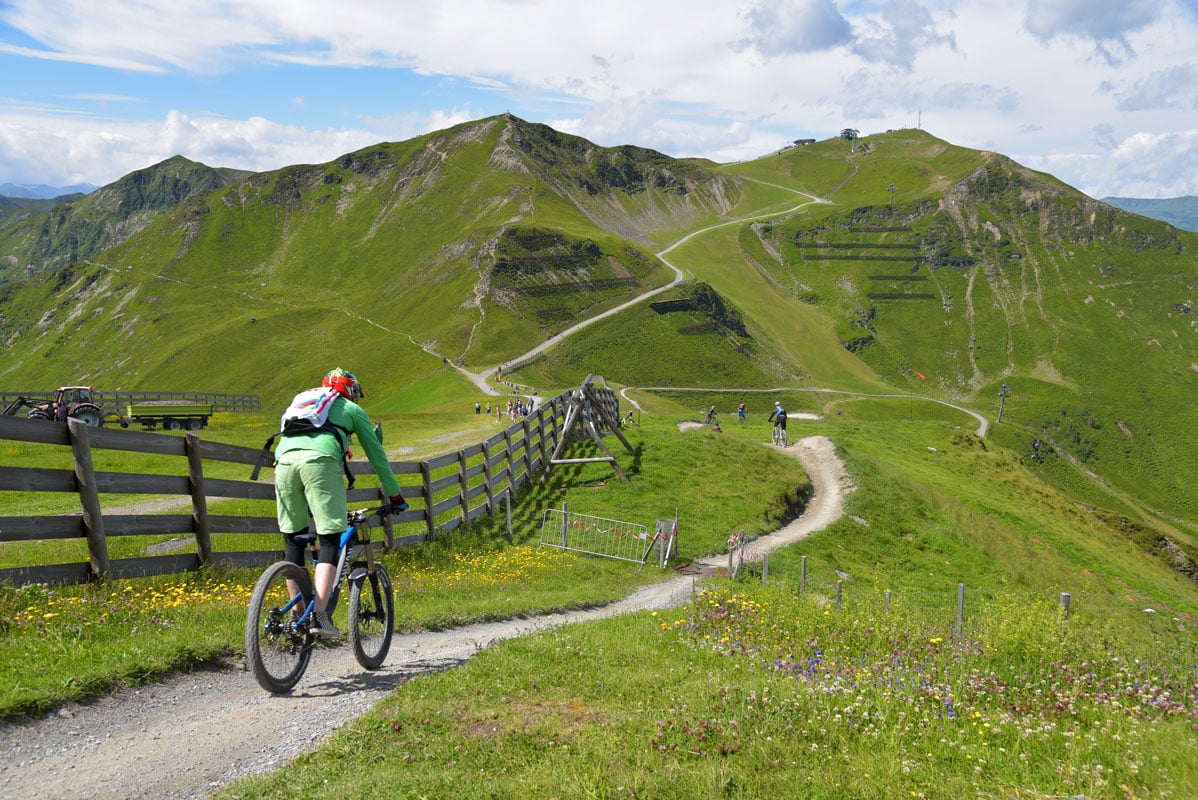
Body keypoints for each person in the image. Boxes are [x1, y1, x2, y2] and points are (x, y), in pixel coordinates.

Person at [274, 368, 407, 638]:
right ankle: (320, 617)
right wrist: (394, 496)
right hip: (320, 463)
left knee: (294, 539)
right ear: (352, 391)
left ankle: (297, 616)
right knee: (330, 538)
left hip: (283, 462)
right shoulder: (351, 409)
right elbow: (377, 457)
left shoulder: (305, 402)